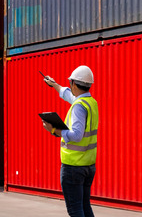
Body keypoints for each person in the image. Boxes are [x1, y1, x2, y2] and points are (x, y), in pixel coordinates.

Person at [42, 65, 99, 217]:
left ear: (74, 84)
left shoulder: (79, 107)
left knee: (75, 210)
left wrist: (54, 130)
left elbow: (76, 135)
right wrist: (54, 84)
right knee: (85, 207)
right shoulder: (90, 102)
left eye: (70, 84)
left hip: (74, 167)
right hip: (87, 165)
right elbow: (69, 96)